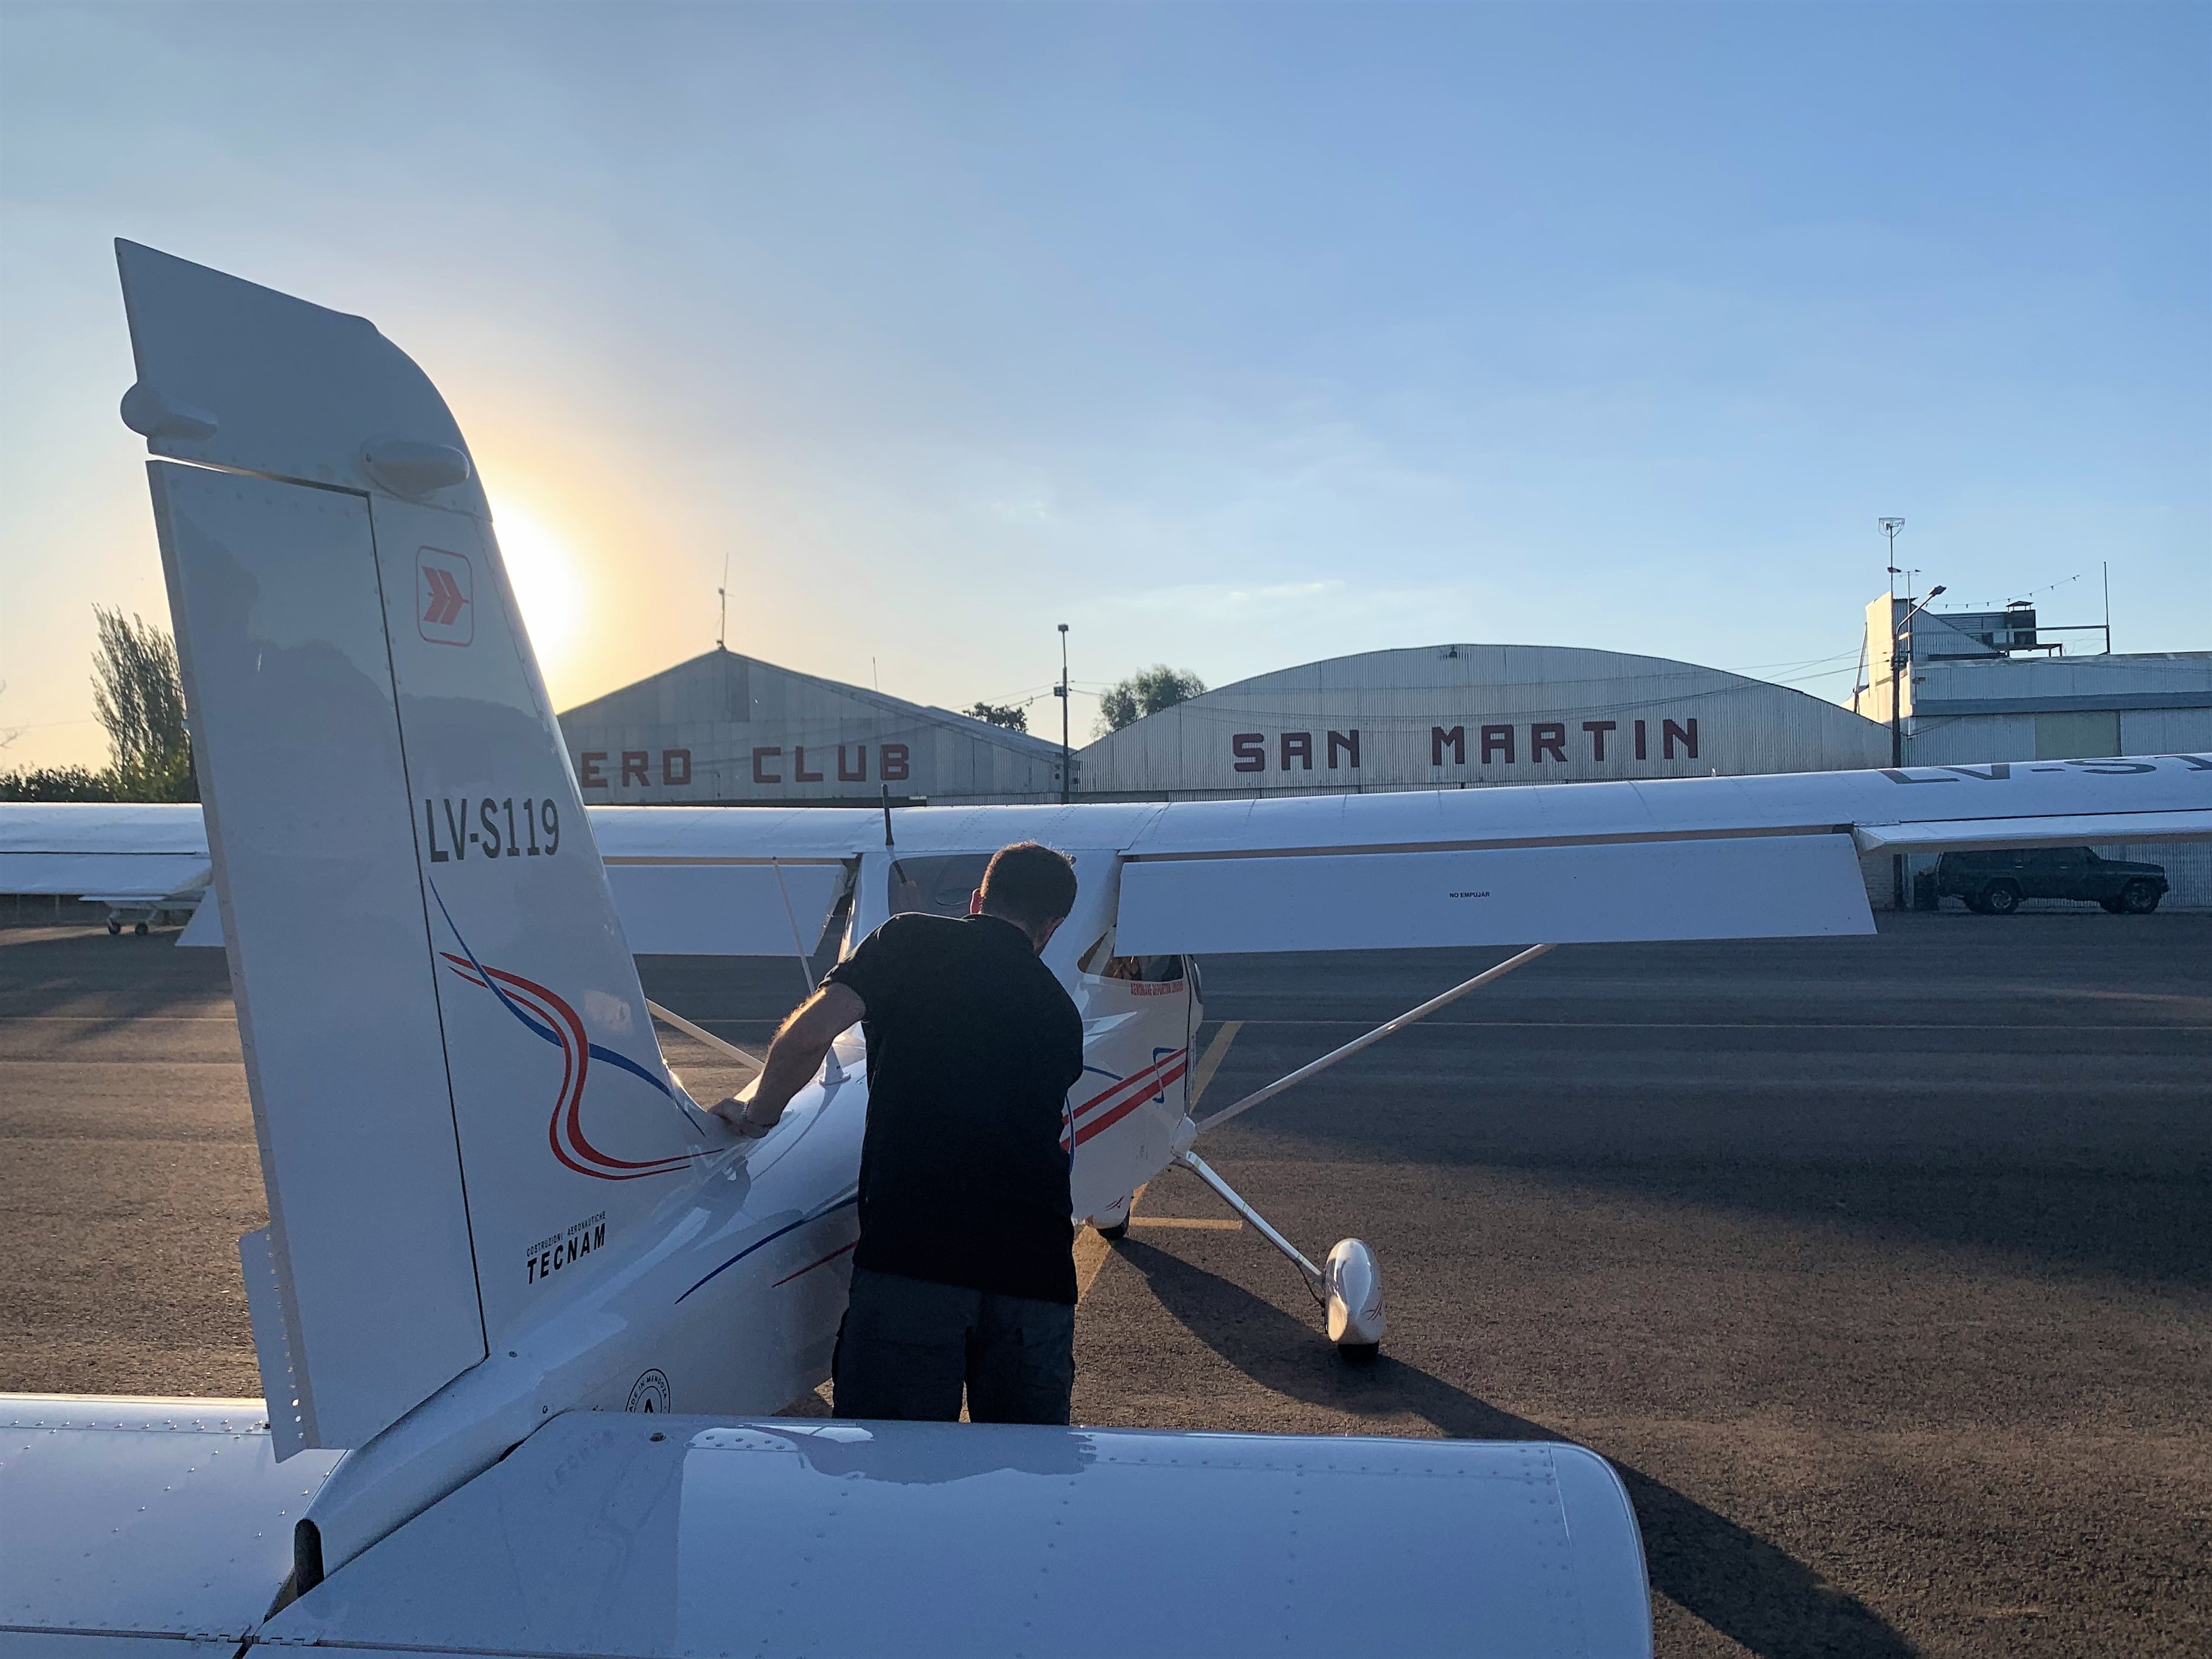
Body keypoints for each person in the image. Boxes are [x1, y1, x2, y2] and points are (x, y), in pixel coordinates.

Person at [712, 841, 1085, 1424]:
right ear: (1052, 927)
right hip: (1035, 1274)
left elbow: (808, 1038)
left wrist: (758, 1115)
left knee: (889, 1471)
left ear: (977, 898)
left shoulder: (907, 938)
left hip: (915, 1260)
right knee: (1022, 1484)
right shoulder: (1060, 1011)